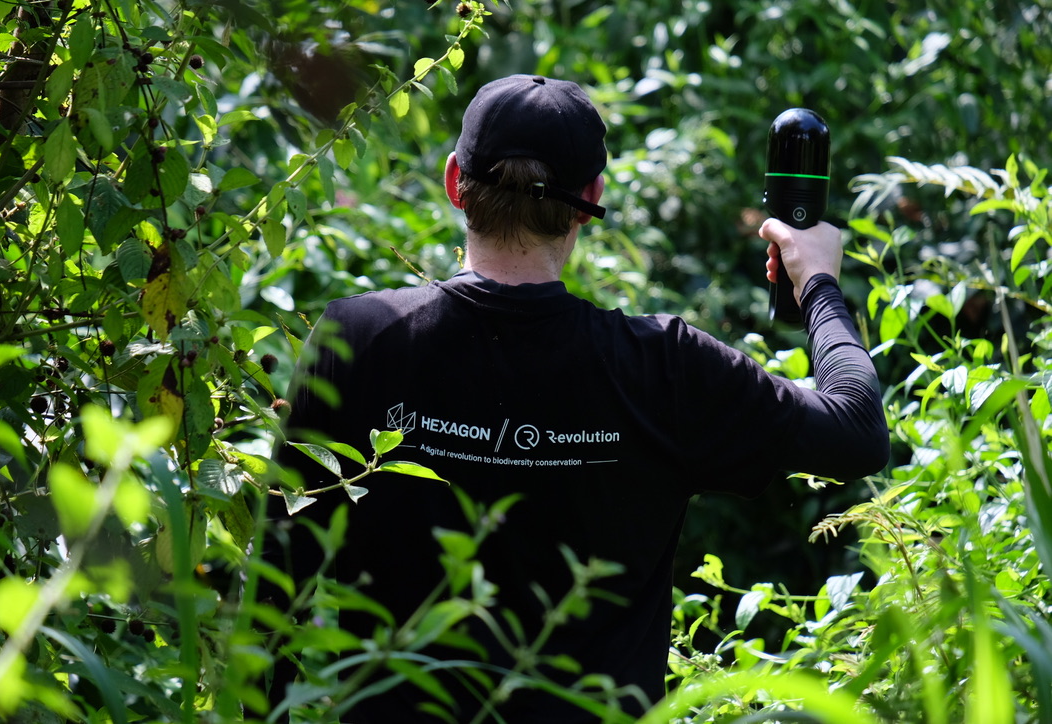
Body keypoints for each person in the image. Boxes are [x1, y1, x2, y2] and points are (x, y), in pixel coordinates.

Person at [268, 74, 890, 722]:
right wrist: (817, 280)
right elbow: (856, 427)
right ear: (589, 199)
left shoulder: (357, 341)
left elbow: (274, 598)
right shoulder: (664, 367)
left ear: (456, 182)